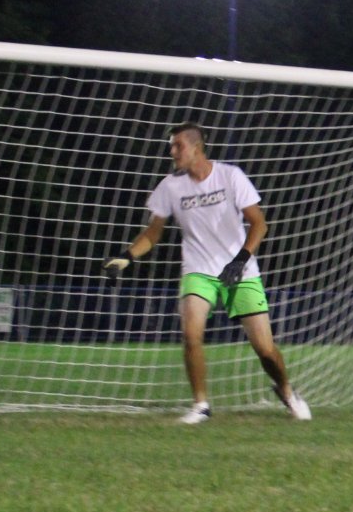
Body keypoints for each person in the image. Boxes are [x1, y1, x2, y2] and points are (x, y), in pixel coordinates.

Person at [102, 121, 312, 424]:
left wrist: (240, 260)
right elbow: (152, 233)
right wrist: (125, 258)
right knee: (191, 336)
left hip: (240, 270)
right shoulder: (170, 186)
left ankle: (288, 393)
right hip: (198, 270)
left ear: (196, 148)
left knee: (266, 350)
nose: (172, 152)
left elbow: (259, 223)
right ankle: (201, 405)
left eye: (178, 146)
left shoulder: (230, 176)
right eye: (172, 146)